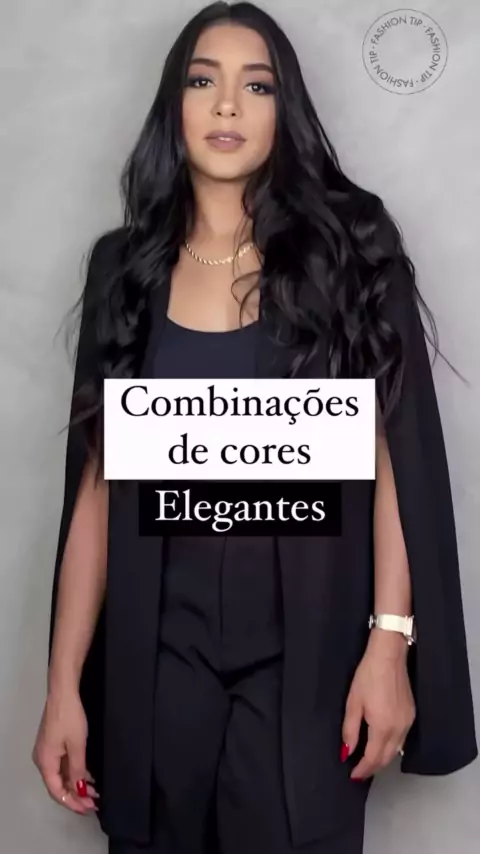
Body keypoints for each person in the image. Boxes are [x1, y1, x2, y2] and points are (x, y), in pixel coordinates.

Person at [32, 2, 477, 853]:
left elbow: (394, 462)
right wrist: (63, 688)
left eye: (257, 85)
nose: (228, 104)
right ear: (174, 105)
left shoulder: (350, 251)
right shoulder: (123, 270)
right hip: (159, 642)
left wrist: (389, 647)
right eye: (203, 80)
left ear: (285, 108)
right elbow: (95, 489)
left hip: (308, 645)